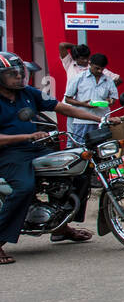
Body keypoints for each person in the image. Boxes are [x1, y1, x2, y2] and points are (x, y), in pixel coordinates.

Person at [1, 52, 108, 264]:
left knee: (77, 166)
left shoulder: (28, 92)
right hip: (8, 154)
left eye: (19, 73)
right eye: (12, 74)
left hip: (34, 147)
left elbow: (62, 107)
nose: (18, 77)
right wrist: (27, 135)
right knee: (24, 187)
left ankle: (61, 227)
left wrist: (99, 119)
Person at [63, 54, 118, 145]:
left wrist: (110, 101)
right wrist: (83, 104)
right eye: (97, 68)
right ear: (90, 64)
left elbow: (113, 98)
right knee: (82, 147)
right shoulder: (79, 78)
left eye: (102, 69)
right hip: (82, 121)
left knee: (102, 149)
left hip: (102, 121)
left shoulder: (108, 80)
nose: (99, 71)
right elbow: (68, 99)